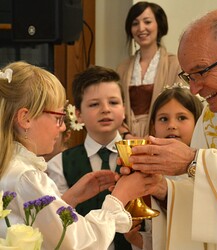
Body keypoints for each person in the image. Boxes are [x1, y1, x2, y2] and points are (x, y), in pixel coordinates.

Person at [122, 9, 217, 250]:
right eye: (188, 76)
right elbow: (204, 199)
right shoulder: (211, 118)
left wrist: (193, 162)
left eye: (200, 72)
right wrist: (162, 190)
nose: (193, 90)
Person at [0, 61, 162, 250]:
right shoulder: (27, 176)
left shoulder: (12, 168)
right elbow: (77, 242)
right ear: (25, 118)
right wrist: (119, 197)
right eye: (58, 117)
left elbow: (42, 226)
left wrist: (69, 199)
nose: (61, 127)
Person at [47, 65, 134, 250]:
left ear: (124, 109)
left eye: (113, 102)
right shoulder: (59, 165)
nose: (105, 109)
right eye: (94, 104)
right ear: (78, 115)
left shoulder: (138, 156)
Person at [124, 83, 204, 250]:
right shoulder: (149, 171)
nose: (172, 125)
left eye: (182, 118)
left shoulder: (205, 168)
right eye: (163, 119)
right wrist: (140, 240)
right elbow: (159, 233)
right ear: (153, 125)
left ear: (198, 122)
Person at [117, 1, 182, 138]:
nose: (141, 28)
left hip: (163, 138)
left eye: (147, 22)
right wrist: (126, 135)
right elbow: (115, 106)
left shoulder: (175, 64)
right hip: (128, 140)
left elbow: (181, 106)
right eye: (135, 23)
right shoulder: (122, 68)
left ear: (159, 25)